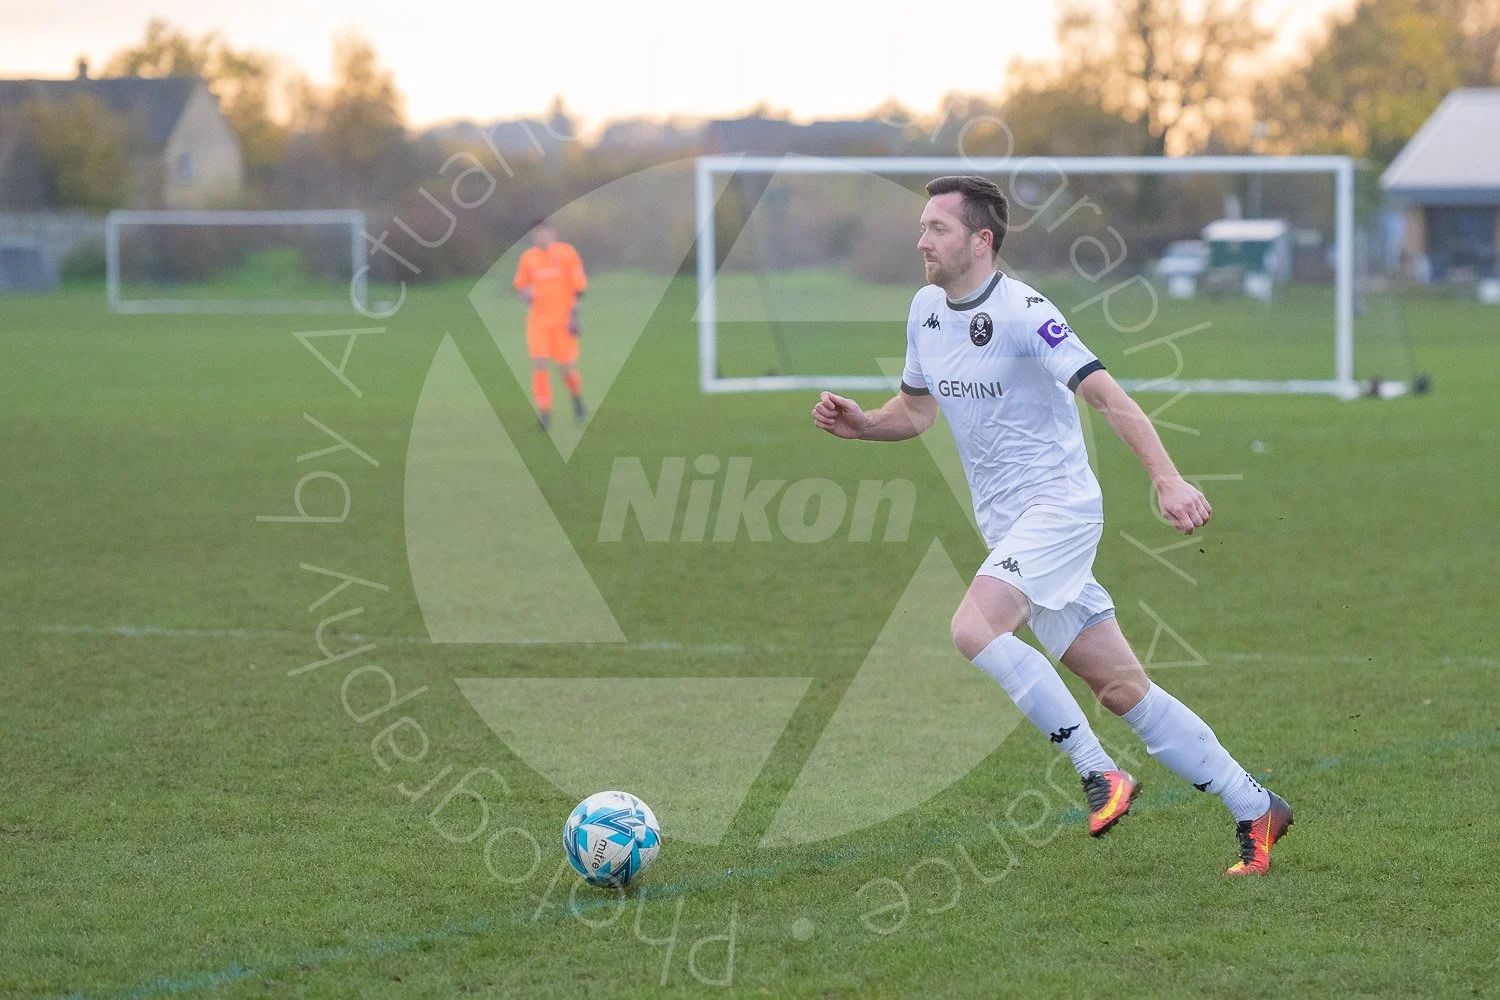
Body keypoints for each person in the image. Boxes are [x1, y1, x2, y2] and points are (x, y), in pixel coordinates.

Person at [811, 175, 1292, 876]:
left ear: (982, 241)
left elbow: (1105, 394)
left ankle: (1098, 771)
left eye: (937, 229)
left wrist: (1166, 476)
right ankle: (1255, 806)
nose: (921, 241)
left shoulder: (1025, 310)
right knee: (1123, 689)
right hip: (1010, 529)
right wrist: (863, 427)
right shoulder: (924, 311)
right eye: (921, 227)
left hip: (1059, 510)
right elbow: (915, 412)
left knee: (973, 629)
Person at [514, 221, 588, 429]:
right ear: (533, 236)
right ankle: (545, 414)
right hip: (538, 323)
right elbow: (521, 287)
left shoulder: (566, 254)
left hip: (563, 323)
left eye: (544, 233)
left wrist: (574, 316)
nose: (541, 237)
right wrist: (525, 295)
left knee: (566, 369)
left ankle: (577, 401)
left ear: (553, 233)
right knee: (540, 365)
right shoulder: (528, 258)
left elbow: (578, 288)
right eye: (537, 234)